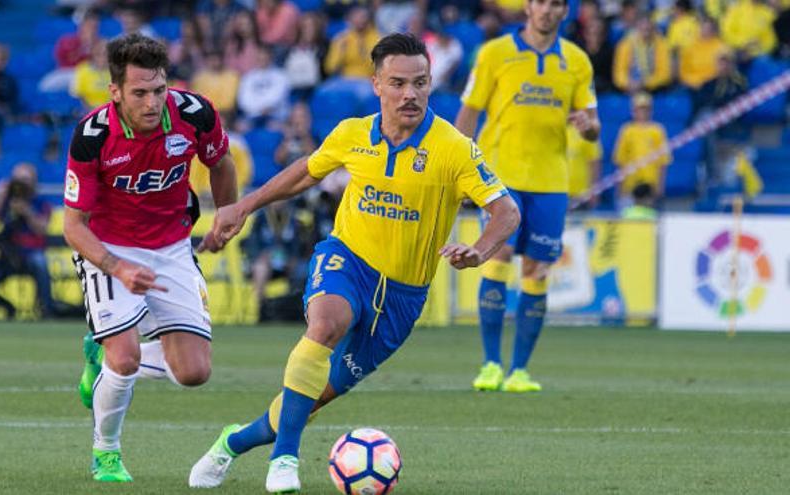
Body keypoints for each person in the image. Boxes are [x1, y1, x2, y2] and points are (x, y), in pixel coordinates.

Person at [187, 32, 520, 493]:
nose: (411, 94)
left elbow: (507, 211)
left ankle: (233, 442)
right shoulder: (352, 134)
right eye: (399, 83)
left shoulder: (454, 147)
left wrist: (480, 250)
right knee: (324, 324)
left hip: (403, 297)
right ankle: (285, 459)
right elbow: (306, 171)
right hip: (348, 260)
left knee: (308, 400)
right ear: (376, 85)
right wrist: (243, 206)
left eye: (420, 83)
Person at [62, 33, 238, 483]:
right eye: (139, 92)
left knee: (194, 373)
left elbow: (222, 163)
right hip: (110, 249)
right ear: (115, 91)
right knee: (124, 359)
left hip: (172, 247)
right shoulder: (91, 135)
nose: (151, 102)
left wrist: (225, 214)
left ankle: (100, 354)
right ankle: (106, 452)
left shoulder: (195, 114)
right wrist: (117, 267)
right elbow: (73, 227)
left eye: (158, 90)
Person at [454, 0, 601, 393]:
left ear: (564, 12)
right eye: (541, 3)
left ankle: (519, 370)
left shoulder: (577, 61)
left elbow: (593, 126)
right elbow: (469, 111)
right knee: (498, 257)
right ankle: (490, 364)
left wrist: (587, 126)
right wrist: (460, 167)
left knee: (537, 271)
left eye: (557, 4)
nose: (548, 10)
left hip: (551, 180)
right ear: (528, 7)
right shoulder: (494, 53)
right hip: (500, 176)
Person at [0, 162, 56, 320]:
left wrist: (27, 211)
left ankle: (46, 310)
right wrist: (1, 196)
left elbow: (42, 229)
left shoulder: (41, 202)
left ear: (34, 182)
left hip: (31, 254)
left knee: (41, 262)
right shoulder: (5, 201)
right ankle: (7, 307)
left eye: (26, 180)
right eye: (18, 180)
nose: (21, 185)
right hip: (7, 256)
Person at [613, 92, 671, 201]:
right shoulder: (626, 130)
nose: (642, 112)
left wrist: (660, 186)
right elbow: (620, 160)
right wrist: (619, 187)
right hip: (630, 183)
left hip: (651, 183)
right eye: (639, 109)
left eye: (646, 109)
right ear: (633, 110)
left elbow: (663, 162)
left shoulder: (657, 130)